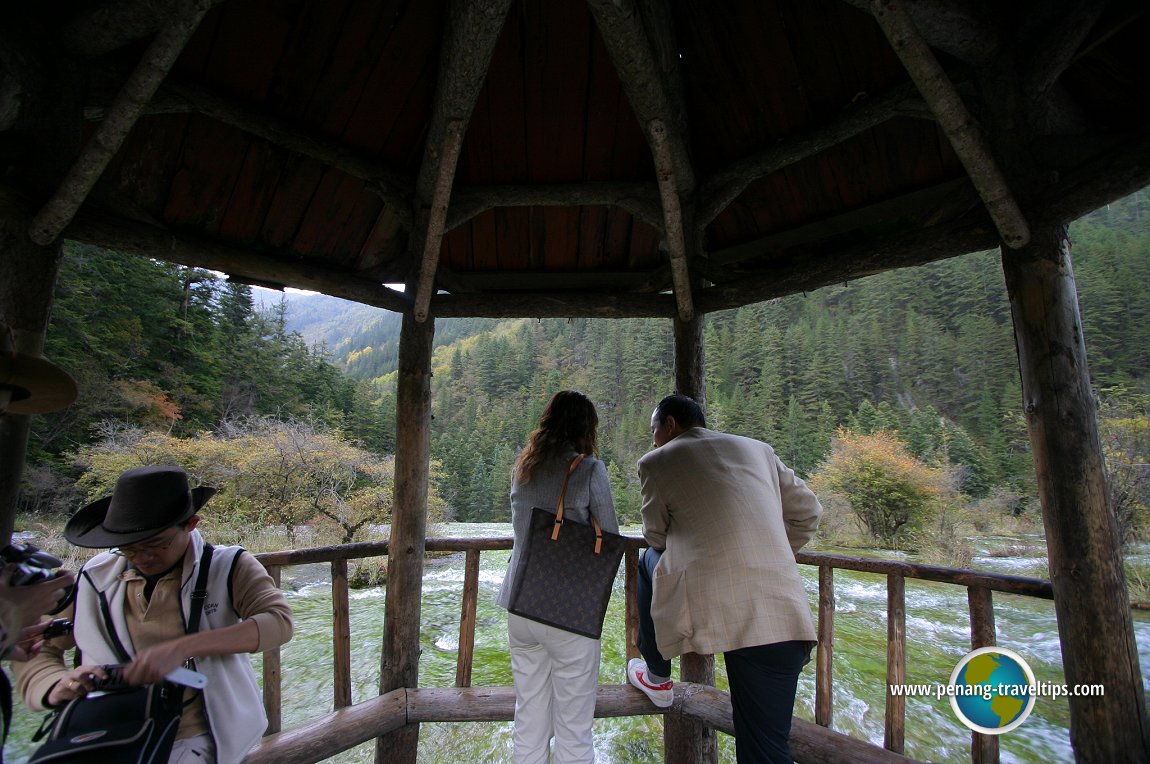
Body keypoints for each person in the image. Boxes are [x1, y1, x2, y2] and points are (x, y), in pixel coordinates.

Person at [15, 465, 294, 764]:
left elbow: (278, 621)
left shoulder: (227, 566)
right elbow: (38, 646)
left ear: (190, 524)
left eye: (157, 544)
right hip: (111, 731)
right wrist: (57, 684)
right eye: (129, 549)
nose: (143, 557)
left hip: (205, 734)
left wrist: (185, 647)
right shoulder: (92, 578)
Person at [628, 394, 822, 764]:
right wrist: (769, 553)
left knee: (648, 560)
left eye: (654, 430)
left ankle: (656, 674)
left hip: (717, 606)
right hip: (782, 610)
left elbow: (655, 538)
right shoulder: (758, 449)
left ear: (669, 425)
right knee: (766, 748)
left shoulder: (657, 461)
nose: (653, 440)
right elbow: (809, 512)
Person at [496, 391, 619, 764]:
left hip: (520, 602)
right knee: (574, 729)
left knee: (529, 716)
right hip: (567, 609)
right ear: (587, 427)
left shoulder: (524, 466)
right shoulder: (587, 469)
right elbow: (609, 533)